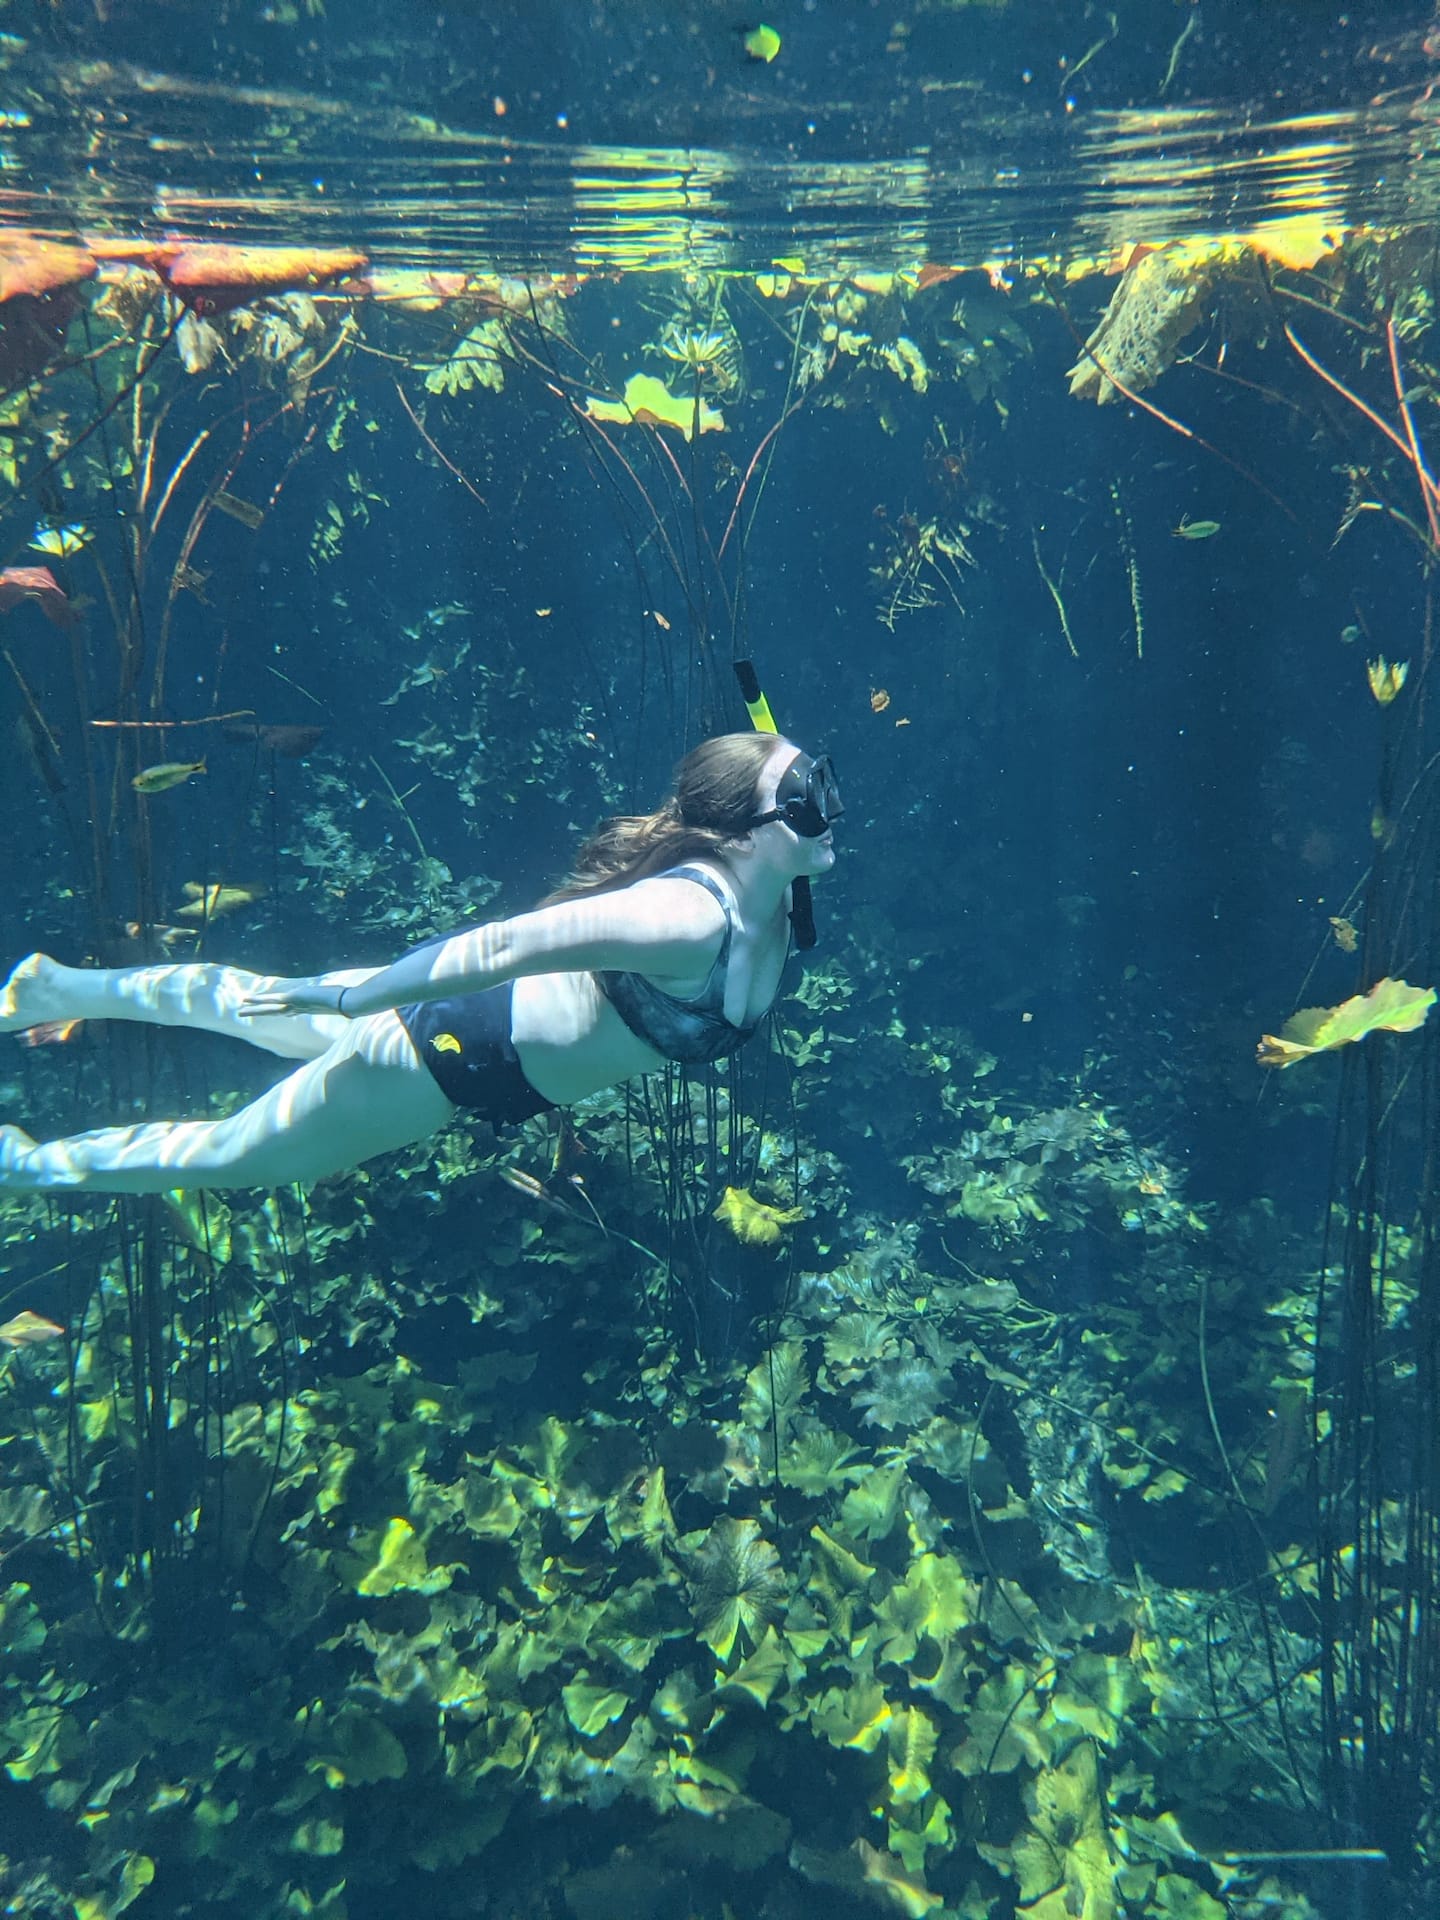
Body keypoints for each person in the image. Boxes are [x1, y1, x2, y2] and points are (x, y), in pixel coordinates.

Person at [0, 734, 841, 1195]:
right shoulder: (685, 918)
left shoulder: (772, 901)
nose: (830, 808)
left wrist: (355, 996)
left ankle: (61, 989)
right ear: (744, 829)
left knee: (249, 1005)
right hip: (434, 1065)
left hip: (445, 1037)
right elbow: (498, 946)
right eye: (808, 795)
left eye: (822, 782)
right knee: (231, 1159)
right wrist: (353, 995)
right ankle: (25, 1165)